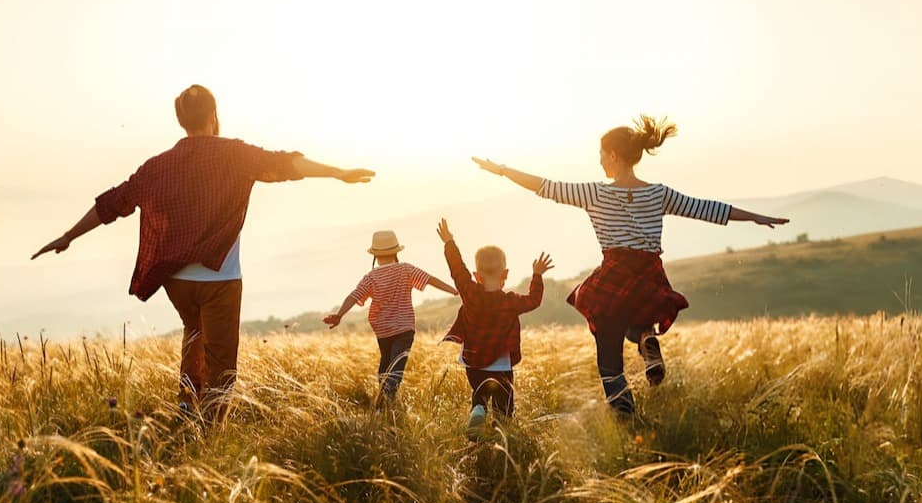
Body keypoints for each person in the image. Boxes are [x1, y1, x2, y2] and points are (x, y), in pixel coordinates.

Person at [32, 84, 374, 422]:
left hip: (177, 281)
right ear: (213, 115)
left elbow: (113, 203)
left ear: (182, 120)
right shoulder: (234, 154)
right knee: (221, 362)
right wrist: (337, 173)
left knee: (193, 333)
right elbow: (286, 164)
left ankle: (186, 408)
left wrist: (69, 236)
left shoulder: (157, 166)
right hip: (220, 279)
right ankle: (209, 431)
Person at [471, 115, 788, 418]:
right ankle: (646, 339)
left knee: (608, 357)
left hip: (614, 274)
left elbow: (544, 186)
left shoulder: (595, 193)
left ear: (613, 155)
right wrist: (755, 217)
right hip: (649, 275)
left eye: (601, 154)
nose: (599, 161)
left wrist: (502, 170)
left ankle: (624, 414)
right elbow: (706, 208)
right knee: (639, 316)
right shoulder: (659, 193)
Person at [435, 218, 552, 440]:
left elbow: (457, 270)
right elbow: (534, 300)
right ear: (505, 274)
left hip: (473, 360)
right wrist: (537, 275)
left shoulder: (470, 292)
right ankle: (500, 434)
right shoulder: (510, 301)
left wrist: (449, 242)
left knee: (479, 391)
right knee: (503, 403)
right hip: (501, 363)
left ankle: (478, 408)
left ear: (476, 276)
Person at [322, 230, 457, 407]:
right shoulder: (406, 269)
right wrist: (453, 290)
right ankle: (385, 403)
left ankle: (382, 403)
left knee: (385, 364)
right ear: (396, 252)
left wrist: (339, 315)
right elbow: (429, 279)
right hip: (404, 329)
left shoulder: (371, 277)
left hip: (383, 330)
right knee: (396, 366)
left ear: (375, 255)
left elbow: (354, 296)